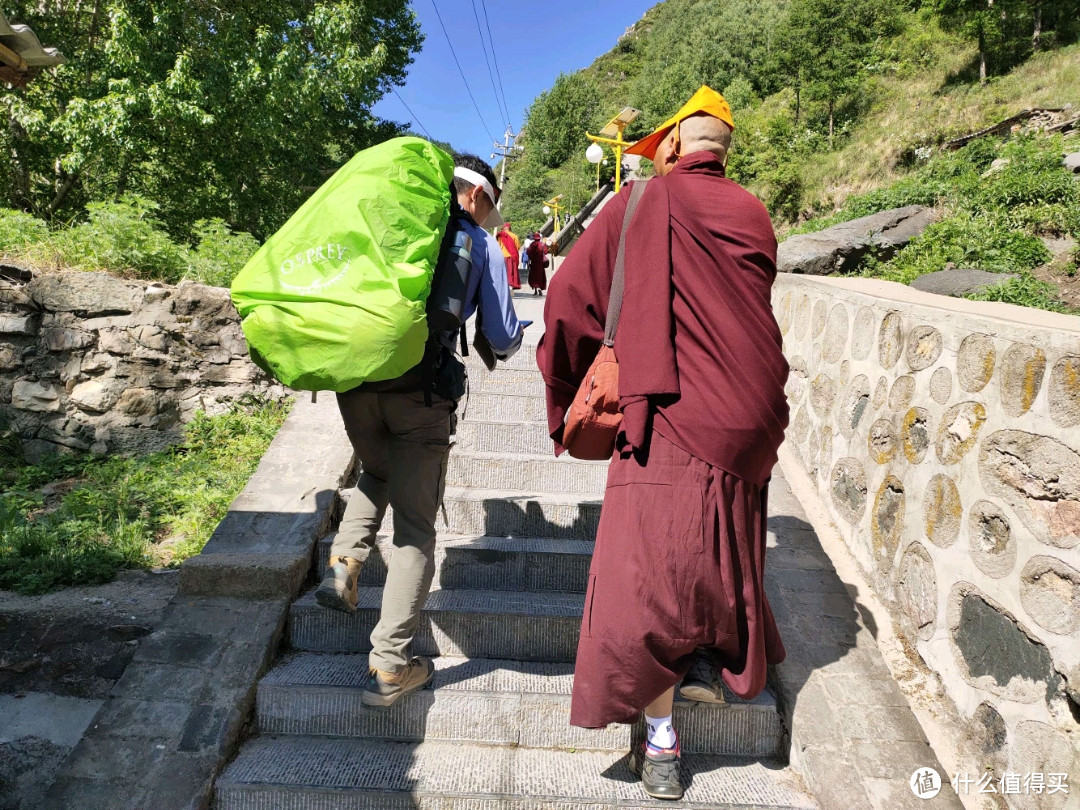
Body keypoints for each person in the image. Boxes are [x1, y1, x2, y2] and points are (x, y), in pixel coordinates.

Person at [536, 86, 790, 801]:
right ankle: (709, 655)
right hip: (750, 414)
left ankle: (662, 742)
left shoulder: (639, 203)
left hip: (671, 411)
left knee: (647, 579)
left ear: (674, 144)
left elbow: (566, 306)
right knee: (715, 549)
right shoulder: (753, 212)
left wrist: (566, 392)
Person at [317, 153, 524, 708]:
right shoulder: (476, 243)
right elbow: (501, 337)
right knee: (413, 530)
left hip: (356, 382)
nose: (490, 218)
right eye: (492, 207)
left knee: (376, 470)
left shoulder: (388, 220)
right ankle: (389, 665)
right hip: (422, 392)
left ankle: (345, 564)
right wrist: (515, 335)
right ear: (477, 195)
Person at [496, 222, 522, 290]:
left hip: (502, 256)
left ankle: (502, 285)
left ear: (504, 228)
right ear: (510, 228)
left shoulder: (500, 235)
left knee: (503, 271)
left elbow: (498, 246)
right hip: (511, 256)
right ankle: (510, 285)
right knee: (511, 271)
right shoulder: (514, 236)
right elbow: (517, 247)